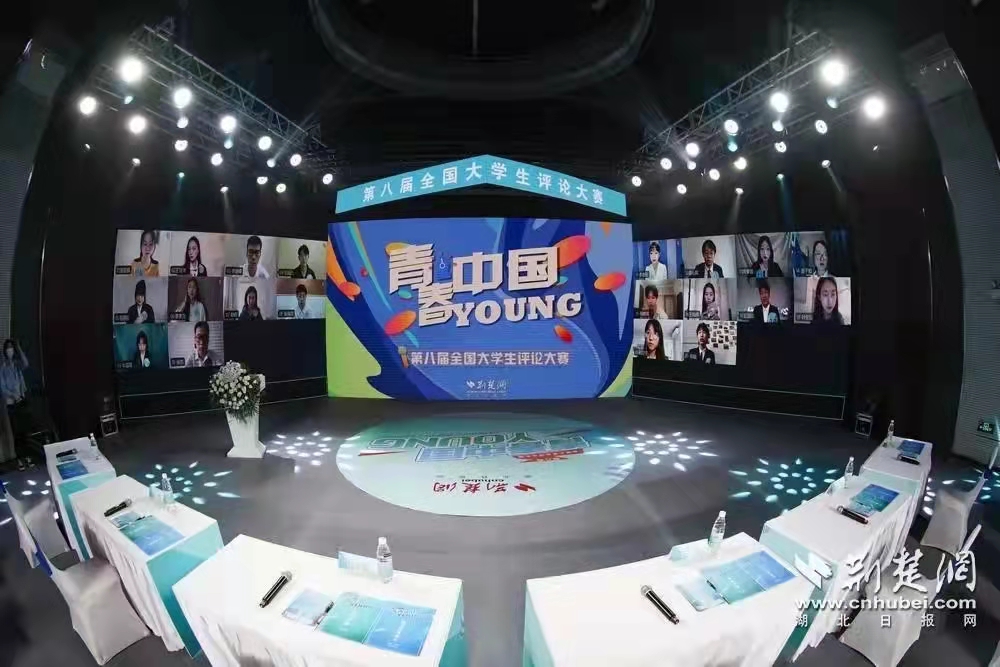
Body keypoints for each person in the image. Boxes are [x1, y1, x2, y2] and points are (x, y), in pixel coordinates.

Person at [1, 339, 30, 469]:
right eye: (8, 348)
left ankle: (27, 457)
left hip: (21, 401)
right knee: (16, 433)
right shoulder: (3, 368)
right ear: (4, 351)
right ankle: (19, 461)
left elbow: (26, 363)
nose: (10, 350)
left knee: (24, 432)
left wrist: (19, 347)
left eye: (11, 348)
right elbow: (2, 388)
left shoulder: (17, 365)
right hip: (11, 404)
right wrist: (14, 395)